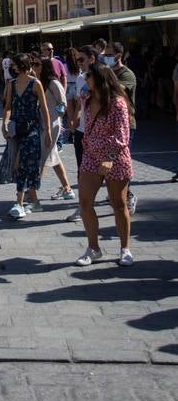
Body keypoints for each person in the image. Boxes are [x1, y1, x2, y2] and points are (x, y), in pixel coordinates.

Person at [75, 63, 134, 266]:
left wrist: (109, 157)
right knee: (84, 203)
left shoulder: (117, 103)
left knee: (118, 204)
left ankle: (125, 249)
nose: (85, 77)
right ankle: (93, 248)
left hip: (115, 157)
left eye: (89, 75)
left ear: (100, 78)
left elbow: (122, 135)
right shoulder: (88, 98)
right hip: (91, 156)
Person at [1, 53, 51, 219]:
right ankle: (35, 202)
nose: (11, 67)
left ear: (19, 65)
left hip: (32, 129)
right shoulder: (12, 84)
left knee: (21, 162)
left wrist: (48, 131)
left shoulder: (35, 83)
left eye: (13, 64)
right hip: (16, 129)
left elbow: (44, 109)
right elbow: (8, 106)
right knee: (27, 165)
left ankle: (19, 203)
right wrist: (3, 124)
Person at [103, 41, 138, 214]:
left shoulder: (127, 74)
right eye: (104, 56)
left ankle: (128, 195)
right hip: (108, 124)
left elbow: (118, 90)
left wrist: (105, 77)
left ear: (118, 55)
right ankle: (115, 194)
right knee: (110, 163)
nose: (106, 58)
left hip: (126, 125)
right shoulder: (107, 72)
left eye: (109, 55)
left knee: (122, 162)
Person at [34, 58, 74, 203]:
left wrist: (56, 116)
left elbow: (63, 103)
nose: (34, 67)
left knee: (43, 157)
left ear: (44, 67)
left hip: (52, 125)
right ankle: (67, 188)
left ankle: (32, 189)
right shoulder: (39, 82)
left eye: (37, 64)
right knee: (53, 156)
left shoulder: (53, 83)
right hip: (42, 123)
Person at [66, 45, 98, 222]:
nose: (78, 63)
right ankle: (83, 207)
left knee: (107, 172)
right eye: (77, 59)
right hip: (82, 131)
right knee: (82, 171)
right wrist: (74, 119)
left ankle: (123, 199)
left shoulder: (104, 77)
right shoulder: (79, 78)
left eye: (81, 59)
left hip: (100, 133)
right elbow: (80, 102)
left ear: (92, 59)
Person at [64, 48, 81, 143]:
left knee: (70, 113)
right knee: (77, 110)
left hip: (68, 87)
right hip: (77, 86)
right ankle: (77, 129)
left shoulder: (64, 65)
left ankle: (71, 133)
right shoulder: (78, 65)